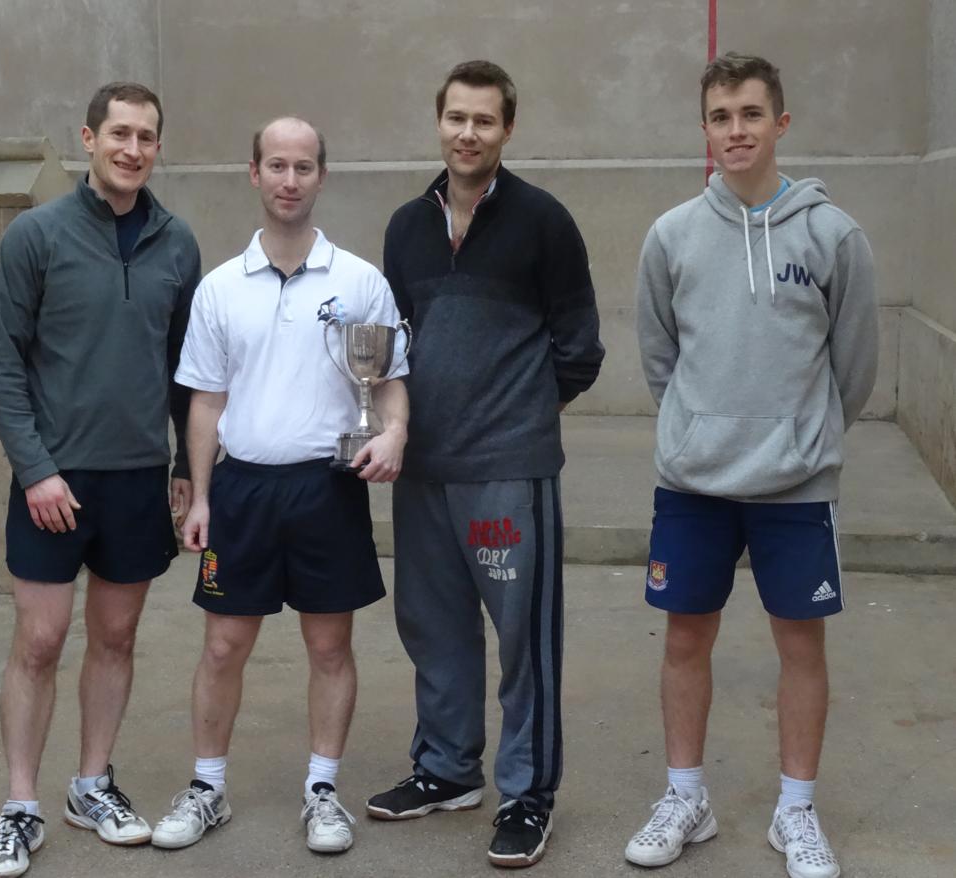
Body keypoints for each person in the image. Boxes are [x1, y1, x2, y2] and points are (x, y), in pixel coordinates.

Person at [623, 53, 877, 878]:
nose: (735, 131)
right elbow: (659, 356)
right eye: (720, 116)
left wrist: (800, 434)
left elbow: (854, 366)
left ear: (780, 124)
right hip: (693, 482)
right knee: (684, 638)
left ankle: (794, 813)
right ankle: (685, 797)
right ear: (703, 128)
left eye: (750, 115)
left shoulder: (832, 235)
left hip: (796, 485)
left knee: (799, 646)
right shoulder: (670, 236)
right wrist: (698, 428)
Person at [365, 60, 604, 869]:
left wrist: (518, 415)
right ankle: (445, 769)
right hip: (422, 468)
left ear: (507, 129)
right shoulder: (404, 227)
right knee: (431, 628)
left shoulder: (543, 222)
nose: (468, 133)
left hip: (508, 468)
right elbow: (387, 346)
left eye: (485, 121)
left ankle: (528, 795)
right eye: (456, 118)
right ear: (439, 122)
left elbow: (579, 350)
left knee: (521, 640)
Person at [152, 116, 409, 856]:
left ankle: (322, 791)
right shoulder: (218, 289)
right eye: (276, 166)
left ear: (321, 176)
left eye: (302, 167)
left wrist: (393, 432)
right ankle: (207, 787)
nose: (289, 180)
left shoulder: (360, 281)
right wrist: (199, 496)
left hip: (327, 491)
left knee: (329, 646)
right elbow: (203, 401)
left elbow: (389, 383)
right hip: (241, 495)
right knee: (224, 647)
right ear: (254, 174)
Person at [0, 82, 201, 878]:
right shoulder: (35, 236)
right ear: (88, 138)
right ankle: (19, 806)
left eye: (146, 136)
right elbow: (0, 362)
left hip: (137, 480)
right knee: (38, 642)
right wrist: (35, 470)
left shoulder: (178, 244)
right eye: (119, 134)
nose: (132, 149)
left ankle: (89, 785)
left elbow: (188, 373)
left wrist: (183, 466)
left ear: (157, 147)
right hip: (52, 483)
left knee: (114, 638)